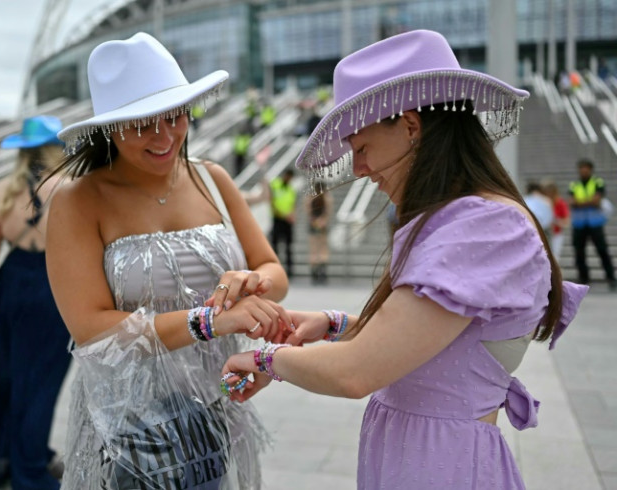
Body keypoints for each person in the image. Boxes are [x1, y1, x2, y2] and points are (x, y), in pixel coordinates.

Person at [221, 30, 589, 489]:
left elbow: (358, 373)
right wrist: (333, 323)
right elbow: (431, 346)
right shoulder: (463, 219)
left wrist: (263, 358)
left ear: (411, 128)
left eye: (361, 148)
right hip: (426, 461)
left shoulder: (483, 227)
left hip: (443, 468)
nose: (358, 168)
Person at [45, 33, 290, 489]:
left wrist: (250, 283)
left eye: (176, 116)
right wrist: (208, 321)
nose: (165, 136)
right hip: (128, 428)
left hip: (219, 408)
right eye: (143, 124)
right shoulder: (78, 200)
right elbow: (91, 327)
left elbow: (274, 272)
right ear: (111, 126)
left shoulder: (211, 178)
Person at [0, 116, 72, 489]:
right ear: (54, 148)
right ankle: (29, 465)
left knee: (10, 375)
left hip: (12, 282)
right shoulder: (68, 188)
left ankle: (13, 455)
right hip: (52, 284)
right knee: (44, 379)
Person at [569, 158, 616, 289]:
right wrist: (589, 202)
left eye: (586, 168)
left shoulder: (597, 182)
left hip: (595, 222)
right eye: (581, 168)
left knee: (602, 249)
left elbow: (596, 200)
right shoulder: (574, 184)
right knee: (579, 251)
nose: (583, 171)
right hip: (579, 223)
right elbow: (572, 202)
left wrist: (580, 203)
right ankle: (583, 277)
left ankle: (611, 277)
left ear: (590, 170)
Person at [270, 168, 297, 277]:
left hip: (287, 221)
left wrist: (292, 215)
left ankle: (289, 269)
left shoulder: (291, 189)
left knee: (288, 246)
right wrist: (281, 214)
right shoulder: (275, 185)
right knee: (275, 245)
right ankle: (275, 267)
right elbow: (271, 200)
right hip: (277, 219)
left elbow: (293, 204)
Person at [306, 182, 333, 284]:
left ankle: (314, 273)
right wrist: (322, 221)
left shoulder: (310, 197)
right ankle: (322, 272)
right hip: (323, 224)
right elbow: (328, 212)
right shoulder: (327, 197)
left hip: (313, 224)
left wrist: (314, 221)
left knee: (313, 249)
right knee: (323, 248)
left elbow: (308, 211)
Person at [542, 180, 570, 264]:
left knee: (555, 257)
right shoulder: (541, 203)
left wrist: (555, 221)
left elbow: (566, 222)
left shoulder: (560, 203)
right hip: (544, 234)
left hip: (556, 234)